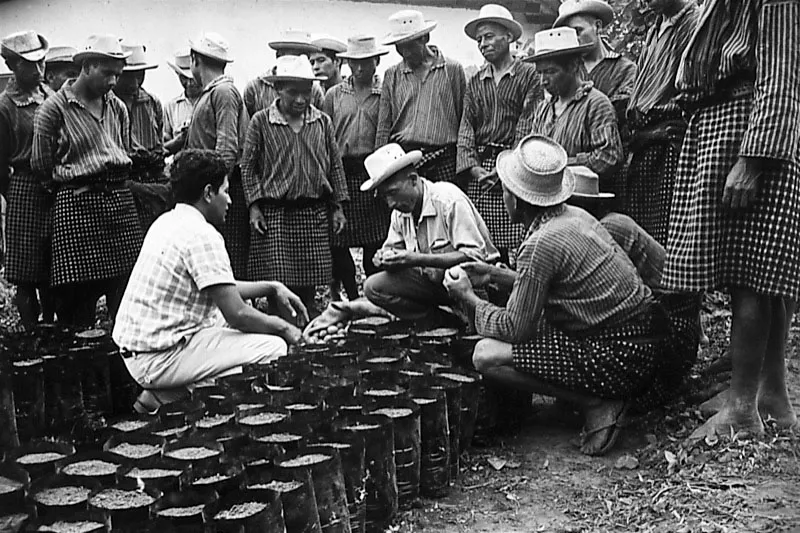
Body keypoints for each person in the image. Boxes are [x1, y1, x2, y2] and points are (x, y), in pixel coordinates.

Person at [443, 135, 671, 455]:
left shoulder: (541, 243)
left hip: (621, 355)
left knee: (485, 354)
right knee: (532, 326)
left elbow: (514, 328)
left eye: (505, 192)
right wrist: (494, 275)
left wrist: (467, 297)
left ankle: (597, 401)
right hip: (640, 338)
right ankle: (590, 393)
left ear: (515, 198)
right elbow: (557, 287)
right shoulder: (572, 216)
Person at [664, 0, 800, 438]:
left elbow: (780, 76)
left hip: (746, 133)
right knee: (759, 274)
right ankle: (770, 393)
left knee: (751, 273)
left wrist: (753, 159)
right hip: (724, 126)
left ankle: (741, 406)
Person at [112, 149, 307, 414]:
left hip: (140, 353)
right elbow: (237, 313)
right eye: (225, 191)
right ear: (207, 193)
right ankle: (188, 403)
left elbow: (219, 284)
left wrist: (273, 287)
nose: (229, 200)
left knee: (224, 326)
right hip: (157, 358)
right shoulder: (202, 235)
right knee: (271, 347)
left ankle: (163, 396)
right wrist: (285, 329)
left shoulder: (168, 221)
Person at [31, 34, 143, 325]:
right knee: (77, 306)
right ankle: (80, 369)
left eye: (118, 75)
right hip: (78, 208)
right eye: (107, 73)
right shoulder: (52, 110)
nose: (113, 82)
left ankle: (121, 367)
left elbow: (125, 148)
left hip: (120, 207)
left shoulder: (117, 107)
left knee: (127, 301)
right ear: (87, 66)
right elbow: (42, 165)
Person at [242, 55, 349, 313]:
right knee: (278, 285)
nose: (300, 100)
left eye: (306, 92)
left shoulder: (322, 122)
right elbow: (248, 166)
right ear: (278, 90)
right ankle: (282, 333)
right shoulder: (261, 122)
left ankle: (308, 333)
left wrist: (338, 207)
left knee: (309, 284)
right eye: (293, 93)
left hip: (312, 213)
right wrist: (254, 206)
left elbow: (335, 164)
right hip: (277, 214)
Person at [362, 143, 499, 323]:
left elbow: (475, 258)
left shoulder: (448, 200)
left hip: (477, 284)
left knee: (457, 272)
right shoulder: (400, 213)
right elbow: (393, 250)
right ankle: (444, 322)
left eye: (393, 193)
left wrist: (415, 259)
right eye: (384, 197)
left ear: (413, 179)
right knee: (373, 287)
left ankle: (475, 323)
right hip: (435, 284)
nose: (390, 203)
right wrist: (384, 258)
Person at [458, 4, 543, 262]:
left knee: (519, 236)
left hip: (514, 167)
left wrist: (509, 168)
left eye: (490, 36)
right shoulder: (475, 81)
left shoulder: (528, 75)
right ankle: (492, 292)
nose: (483, 44)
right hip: (482, 170)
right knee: (484, 243)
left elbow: (528, 123)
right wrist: (473, 168)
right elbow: (466, 127)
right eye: (480, 39)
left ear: (508, 36)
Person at [323, 35, 392, 301]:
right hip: (342, 169)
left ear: (376, 61)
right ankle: (351, 294)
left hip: (372, 171)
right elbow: (325, 135)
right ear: (346, 63)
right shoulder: (334, 95)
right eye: (354, 63)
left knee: (375, 239)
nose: (360, 69)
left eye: (366, 63)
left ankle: (373, 296)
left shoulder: (384, 93)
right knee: (339, 240)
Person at [624, 0, 698, 245]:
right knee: (639, 229)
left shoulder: (691, 23)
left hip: (667, 143)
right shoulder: (656, 28)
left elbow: (691, 91)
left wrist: (661, 132)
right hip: (645, 140)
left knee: (662, 233)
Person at [520, 28, 623, 195]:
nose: (543, 81)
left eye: (551, 72)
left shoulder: (596, 105)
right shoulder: (544, 108)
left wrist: (562, 164)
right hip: (546, 199)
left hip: (581, 203)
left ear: (573, 66)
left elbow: (609, 157)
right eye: (540, 73)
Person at [1, 30, 55, 326]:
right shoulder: (5, 106)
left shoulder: (51, 96)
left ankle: (51, 324)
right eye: (29, 65)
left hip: (53, 186)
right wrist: (12, 192)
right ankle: (32, 331)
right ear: (11, 66)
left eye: (41, 63)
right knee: (25, 272)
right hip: (22, 187)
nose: (37, 71)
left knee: (49, 269)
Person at [185, 32, 250, 280]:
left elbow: (227, 145)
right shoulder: (212, 93)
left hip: (221, 186)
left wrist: (217, 185)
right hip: (211, 185)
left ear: (195, 60)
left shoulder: (222, 92)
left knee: (228, 252)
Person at [377, 10, 466, 183]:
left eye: (410, 45)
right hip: (404, 160)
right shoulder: (392, 75)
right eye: (399, 46)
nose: (405, 52)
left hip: (445, 159)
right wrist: (381, 169)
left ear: (425, 38)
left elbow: (464, 120)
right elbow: (383, 126)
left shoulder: (452, 70)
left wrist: (464, 164)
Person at [553, 0, 637, 126]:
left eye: (578, 31)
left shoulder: (625, 70)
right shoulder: (566, 71)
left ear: (598, 26)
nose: (575, 39)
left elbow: (623, 115)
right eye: (569, 34)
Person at [114, 42, 167, 230]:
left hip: (152, 180)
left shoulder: (152, 103)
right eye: (129, 76)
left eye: (140, 75)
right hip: (123, 184)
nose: (135, 82)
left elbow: (159, 146)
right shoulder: (107, 105)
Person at [243, 29, 325, 117]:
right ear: (279, 55)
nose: (299, 61)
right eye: (293, 57)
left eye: (304, 57)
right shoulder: (255, 87)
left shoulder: (315, 91)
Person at [163, 49, 200, 154]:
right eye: (184, 78)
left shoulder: (211, 101)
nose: (189, 83)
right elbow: (164, 147)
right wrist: (180, 139)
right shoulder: (171, 107)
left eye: (193, 78)